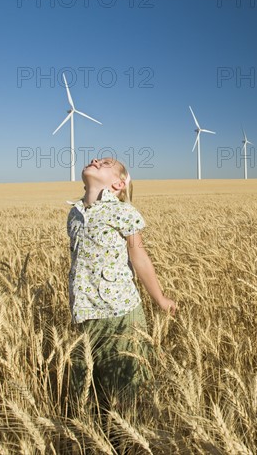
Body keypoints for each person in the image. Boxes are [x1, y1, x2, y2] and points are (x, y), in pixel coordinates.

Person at [67, 157, 176, 411]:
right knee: (91, 389)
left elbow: (138, 255)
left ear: (118, 184)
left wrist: (160, 298)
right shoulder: (74, 213)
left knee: (127, 385)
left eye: (105, 162)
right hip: (85, 315)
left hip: (120, 314)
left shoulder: (123, 211)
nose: (95, 160)